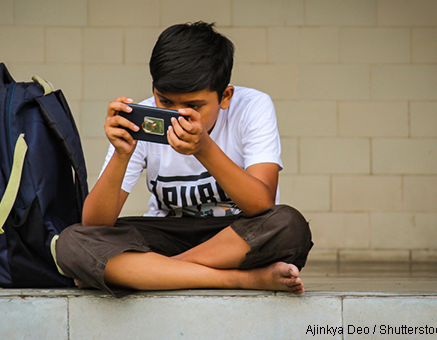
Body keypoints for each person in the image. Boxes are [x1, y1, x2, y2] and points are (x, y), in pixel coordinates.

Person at [54, 21, 313, 298]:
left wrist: (204, 148)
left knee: (289, 225)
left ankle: (155, 273)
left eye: (193, 106)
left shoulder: (251, 107)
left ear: (225, 96)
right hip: (167, 234)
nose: (177, 117)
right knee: (72, 242)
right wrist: (121, 154)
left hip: (234, 236)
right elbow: (95, 224)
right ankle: (243, 280)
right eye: (164, 102)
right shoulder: (142, 117)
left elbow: (262, 204)